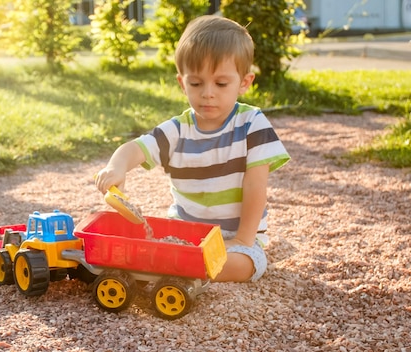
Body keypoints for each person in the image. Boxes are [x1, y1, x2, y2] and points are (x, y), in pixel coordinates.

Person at [95, 15, 290, 283]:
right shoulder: (177, 129)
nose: (208, 93)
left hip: (236, 237)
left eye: (221, 84)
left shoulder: (252, 125)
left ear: (244, 82)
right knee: (162, 249)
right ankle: (181, 265)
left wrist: (243, 238)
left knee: (245, 266)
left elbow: (256, 186)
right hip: (184, 234)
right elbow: (134, 149)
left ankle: (180, 268)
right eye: (196, 83)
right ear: (182, 83)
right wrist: (116, 167)